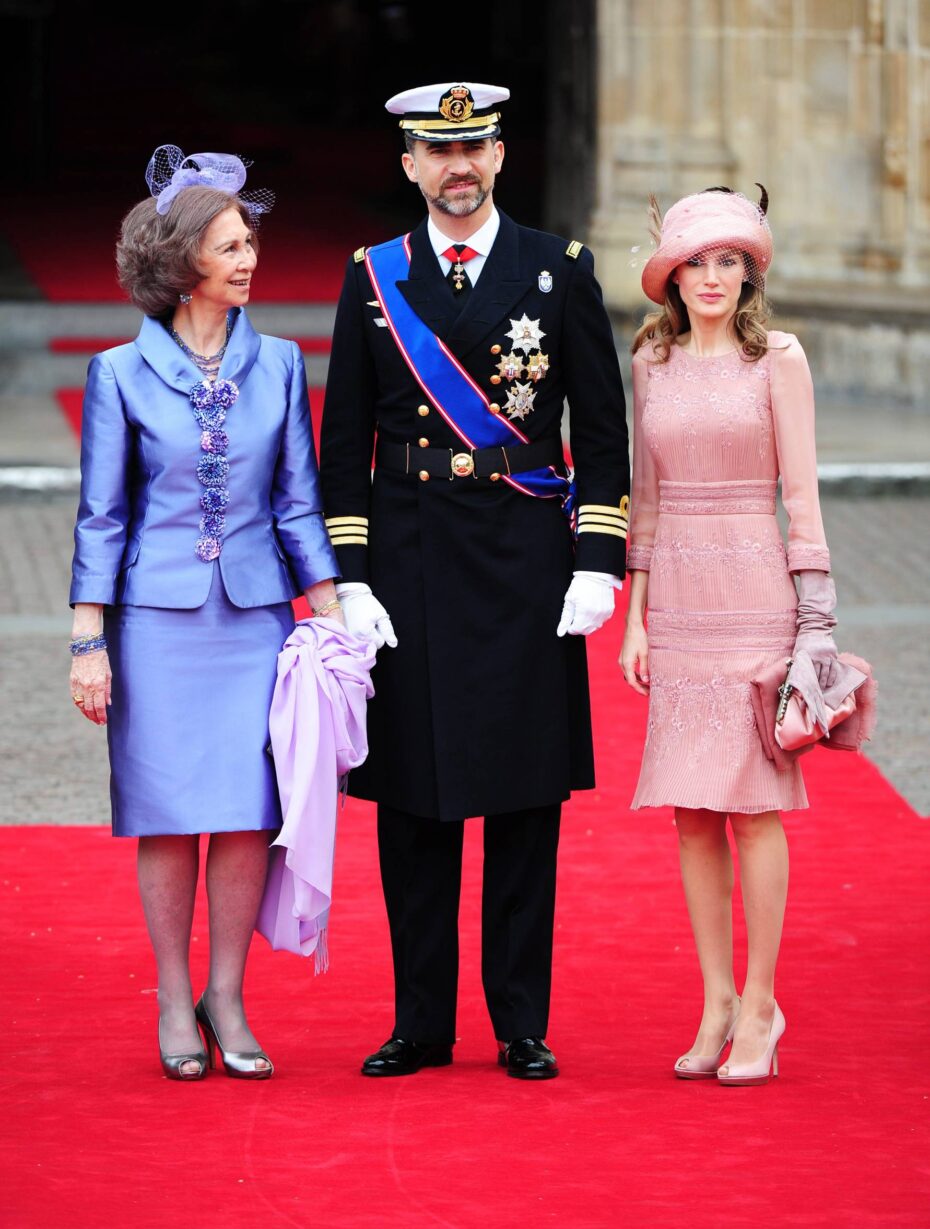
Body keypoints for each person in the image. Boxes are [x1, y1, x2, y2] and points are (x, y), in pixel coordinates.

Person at [320, 83, 630, 1079]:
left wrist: (596, 556)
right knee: (414, 803)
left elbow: (603, 433)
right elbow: (343, 448)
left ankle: (520, 1022)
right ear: (407, 163)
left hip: (526, 563)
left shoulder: (559, 271)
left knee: (524, 797)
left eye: (476, 146)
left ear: (500, 156)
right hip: (407, 564)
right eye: (434, 150)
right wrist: (351, 576)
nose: (458, 166)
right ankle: (420, 1021)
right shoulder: (374, 276)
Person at [69, 145, 341, 1081]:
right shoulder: (119, 374)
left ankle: (227, 994)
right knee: (167, 813)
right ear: (183, 262)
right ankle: (171, 992)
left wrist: (333, 611)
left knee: (242, 813)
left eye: (249, 241)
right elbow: (102, 518)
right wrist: (86, 641)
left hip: (257, 621)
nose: (249, 258)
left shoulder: (281, 365)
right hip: (155, 625)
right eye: (229, 245)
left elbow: (298, 502)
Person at [620, 186, 838, 1085]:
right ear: (672, 276)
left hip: (756, 591)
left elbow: (803, 496)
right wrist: (635, 615)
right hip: (676, 596)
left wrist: (817, 621)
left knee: (753, 807)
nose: (712, 277)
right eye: (696, 261)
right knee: (692, 809)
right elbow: (647, 496)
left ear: (750, 271)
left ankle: (760, 1001)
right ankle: (713, 999)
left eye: (728, 260)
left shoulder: (778, 358)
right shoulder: (652, 359)